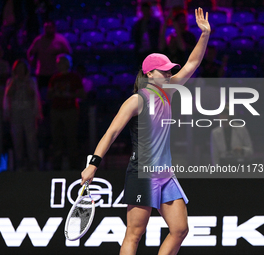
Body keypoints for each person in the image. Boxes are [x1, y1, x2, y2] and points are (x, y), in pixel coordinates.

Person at [81, 8, 210, 255]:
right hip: (143, 174)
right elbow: (110, 133)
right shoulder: (136, 100)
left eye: (170, 69)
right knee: (135, 234)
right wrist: (93, 165)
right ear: (150, 73)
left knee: (180, 229)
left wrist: (204, 35)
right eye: (164, 70)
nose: (170, 73)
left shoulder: (170, 90)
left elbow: (193, 62)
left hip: (166, 174)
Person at [3, 59, 42, 171]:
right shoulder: (11, 81)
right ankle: (20, 162)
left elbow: (32, 94)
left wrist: (25, 82)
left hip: (28, 112)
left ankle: (33, 162)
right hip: (15, 113)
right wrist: (15, 82)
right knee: (17, 138)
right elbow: (9, 94)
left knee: (31, 139)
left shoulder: (31, 81)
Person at [47, 54, 85, 170]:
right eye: (59, 62)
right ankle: (57, 165)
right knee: (57, 137)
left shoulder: (74, 77)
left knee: (71, 137)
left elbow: (82, 94)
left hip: (70, 110)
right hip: (56, 110)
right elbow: (48, 95)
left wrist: (70, 95)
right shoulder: (54, 78)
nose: (60, 64)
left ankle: (74, 165)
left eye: (63, 62)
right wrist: (55, 94)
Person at [27, 21, 72, 103]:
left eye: (49, 28)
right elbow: (30, 52)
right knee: (40, 96)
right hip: (41, 73)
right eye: (46, 28)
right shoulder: (39, 40)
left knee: (56, 94)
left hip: (55, 73)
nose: (47, 30)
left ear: (54, 28)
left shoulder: (61, 40)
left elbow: (68, 54)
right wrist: (31, 62)